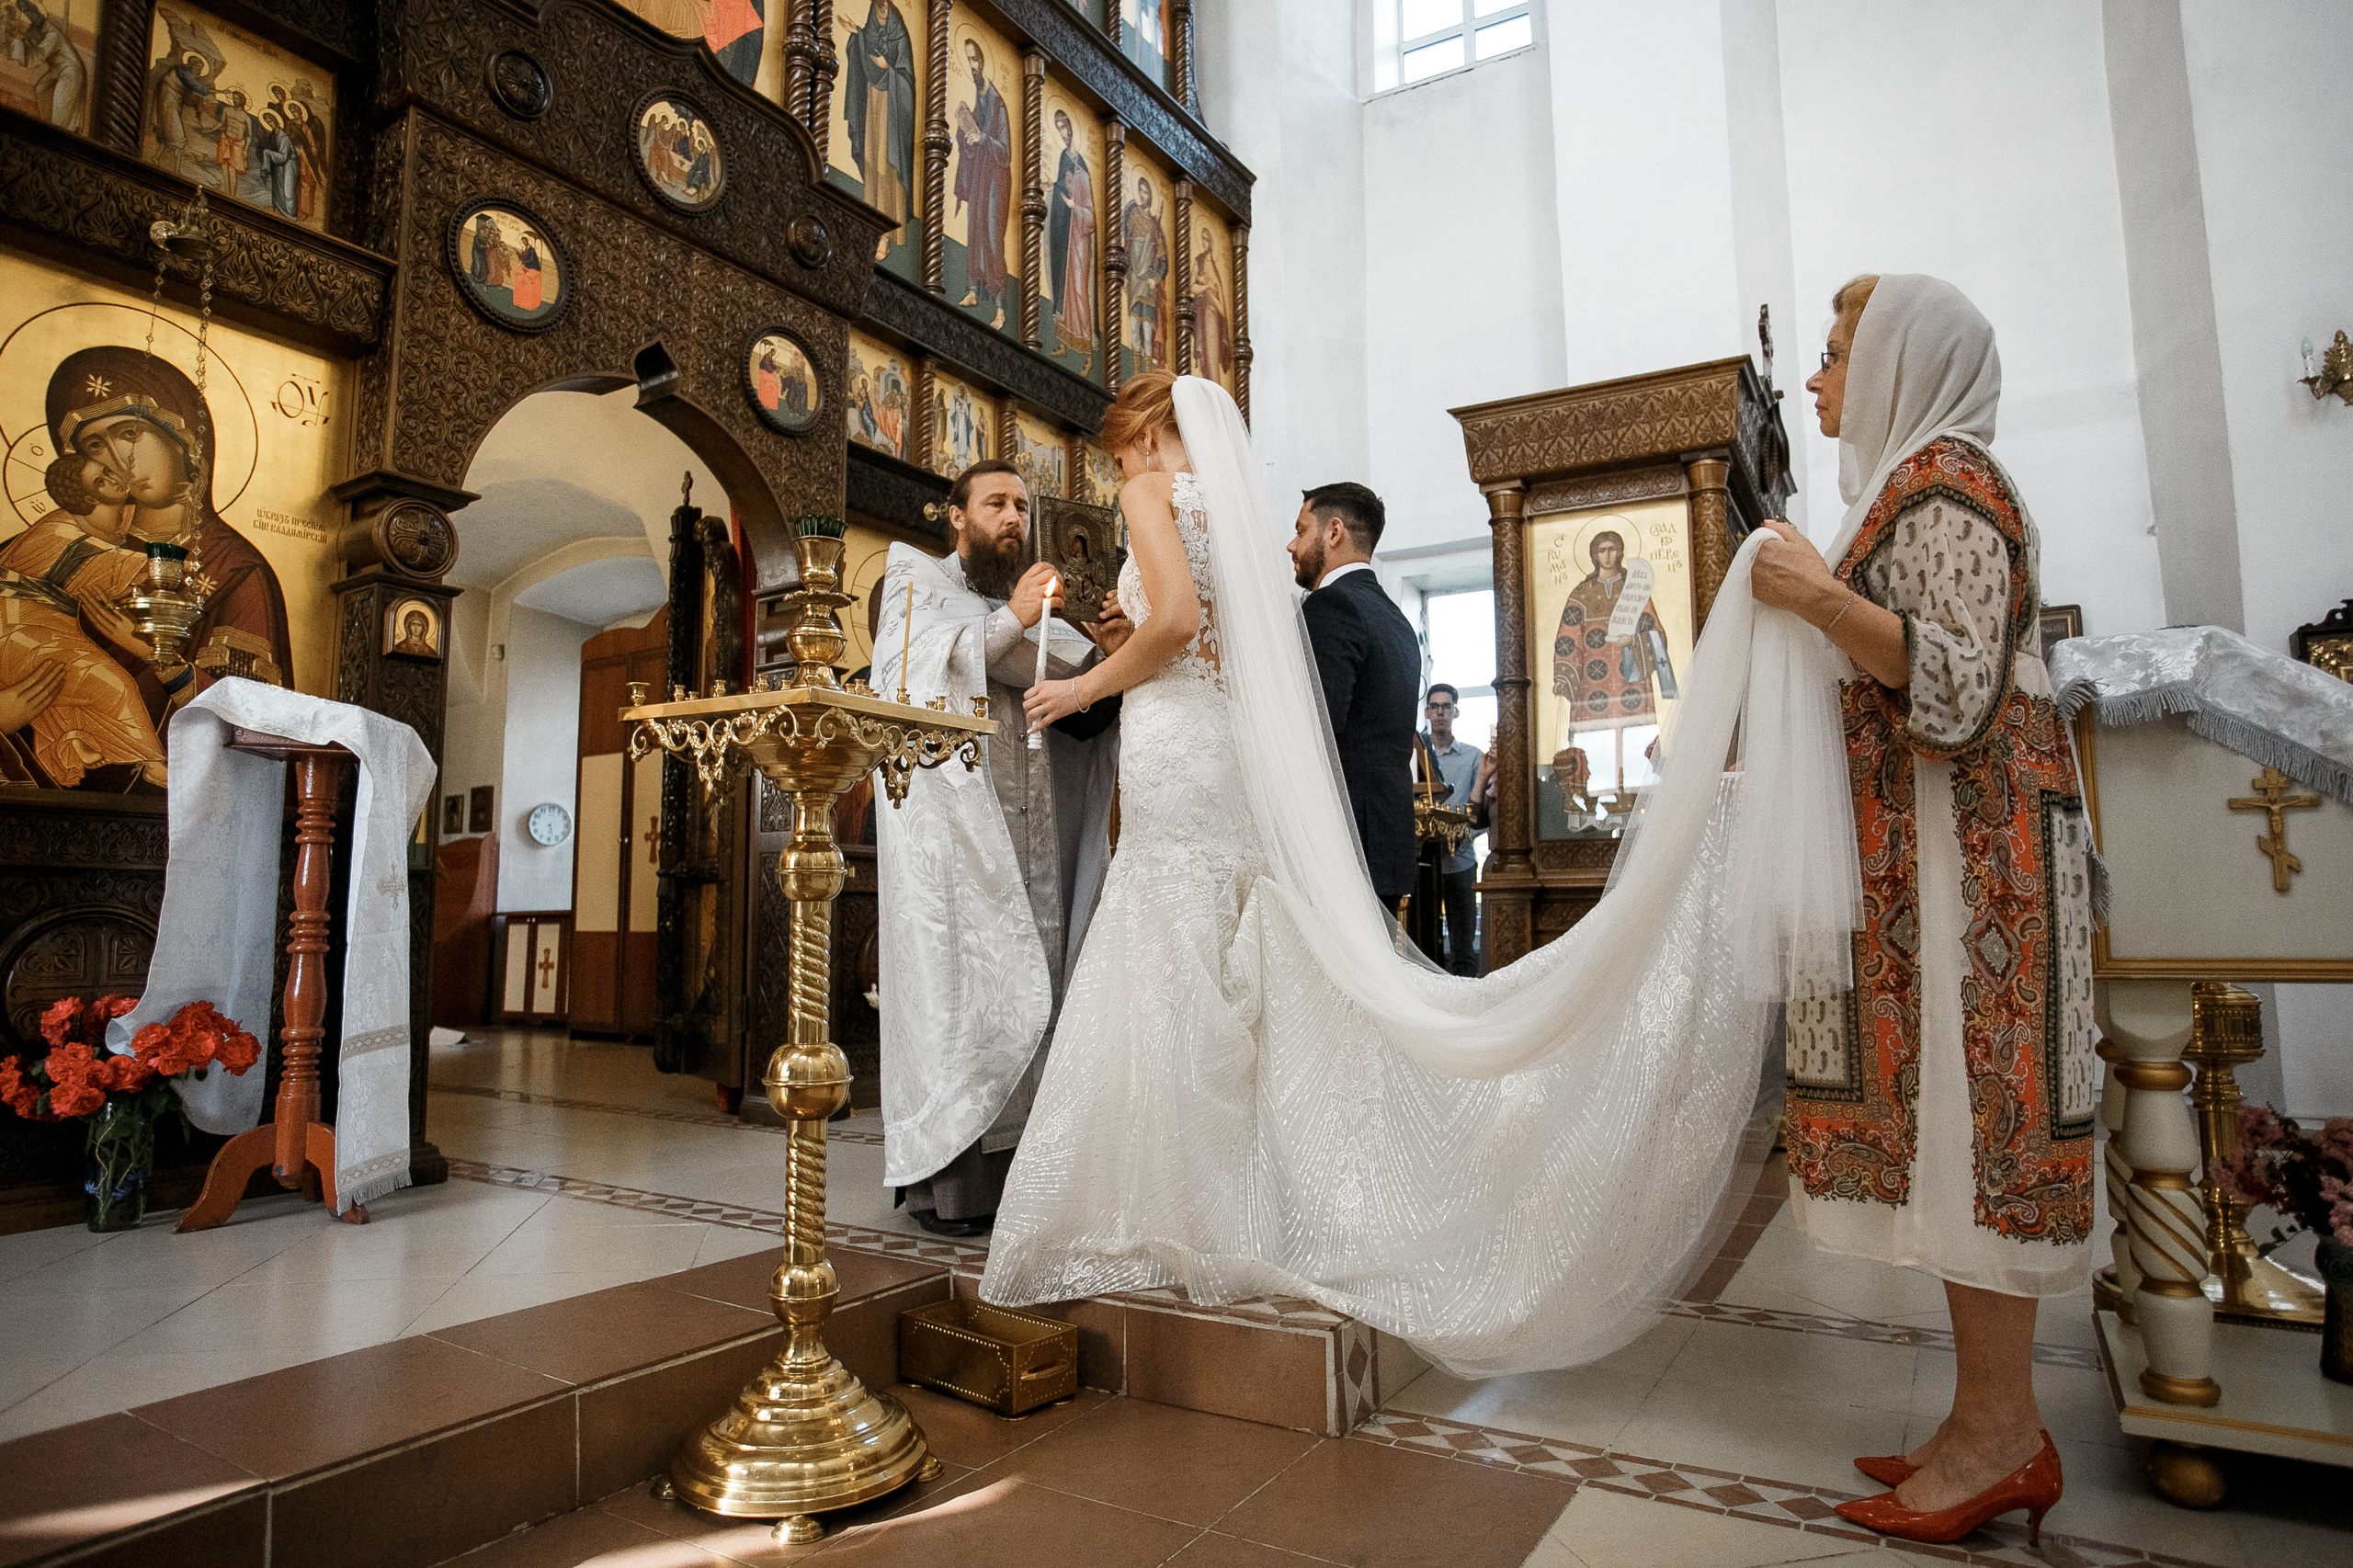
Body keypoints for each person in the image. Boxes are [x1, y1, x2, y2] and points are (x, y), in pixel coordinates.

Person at [982, 370, 1858, 1378]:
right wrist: (1127, 648)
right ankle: (1217, 1194)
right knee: (1212, 949)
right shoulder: (1236, 517)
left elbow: (1175, 625)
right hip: (1221, 749)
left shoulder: (1147, 496)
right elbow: (1216, 650)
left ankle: (1162, 1203)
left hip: (1177, 748)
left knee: (1166, 943)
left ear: (1143, 429)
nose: (1119, 462)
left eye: (1119, 444)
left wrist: (1084, 681)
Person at [1750, 275, 2087, 1546]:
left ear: (1902, 362)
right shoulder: (1911, 483)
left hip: (1976, 858)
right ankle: (1983, 1422)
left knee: (1981, 1129)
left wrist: (1812, 597)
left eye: (1837, 356)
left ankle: (2003, 1435)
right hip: (1946, 857)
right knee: (1955, 1134)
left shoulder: (1951, 483)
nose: (1820, 381)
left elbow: (1952, 683)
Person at [871, 460, 1120, 1236]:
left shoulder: (1046, 612)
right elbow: (916, 678)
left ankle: (1038, 1177)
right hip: (960, 849)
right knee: (967, 994)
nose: (1012, 517)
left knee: (1046, 983)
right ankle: (957, 1191)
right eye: (995, 503)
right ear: (956, 516)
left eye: (1020, 505)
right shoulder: (915, 589)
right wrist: (1015, 618)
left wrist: (1108, 655)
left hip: (1039, 825)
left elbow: (1080, 700)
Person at [1290, 482, 1419, 910]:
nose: (1291, 545)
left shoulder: (1332, 606)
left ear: (1334, 531)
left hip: (1344, 844)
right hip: (1385, 839)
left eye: (1301, 529)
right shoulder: (1396, 619)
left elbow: (1316, 730)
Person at [1417, 684, 1482, 975]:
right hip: (1423, 866)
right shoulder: (1415, 757)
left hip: (1461, 863)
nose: (1441, 712)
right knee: (1423, 948)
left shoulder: (1473, 758)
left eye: (1446, 706)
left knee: (1463, 950)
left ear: (1456, 711)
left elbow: (1482, 816)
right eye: (1435, 706)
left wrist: (1460, 833)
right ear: (1427, 711)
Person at [950, 40, 1014, 331]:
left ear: (982, 62)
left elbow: (1005, 152)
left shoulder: (998, 104)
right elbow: (972, 143)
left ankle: (1000, 308)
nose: (972, 65)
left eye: (975, 59)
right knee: (974, 227)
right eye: (968, 60)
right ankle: (973, 290)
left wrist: (983, 139)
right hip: (979, 175)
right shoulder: (980, 99)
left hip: (996, 180)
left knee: (991, 233)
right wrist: (965, 129)